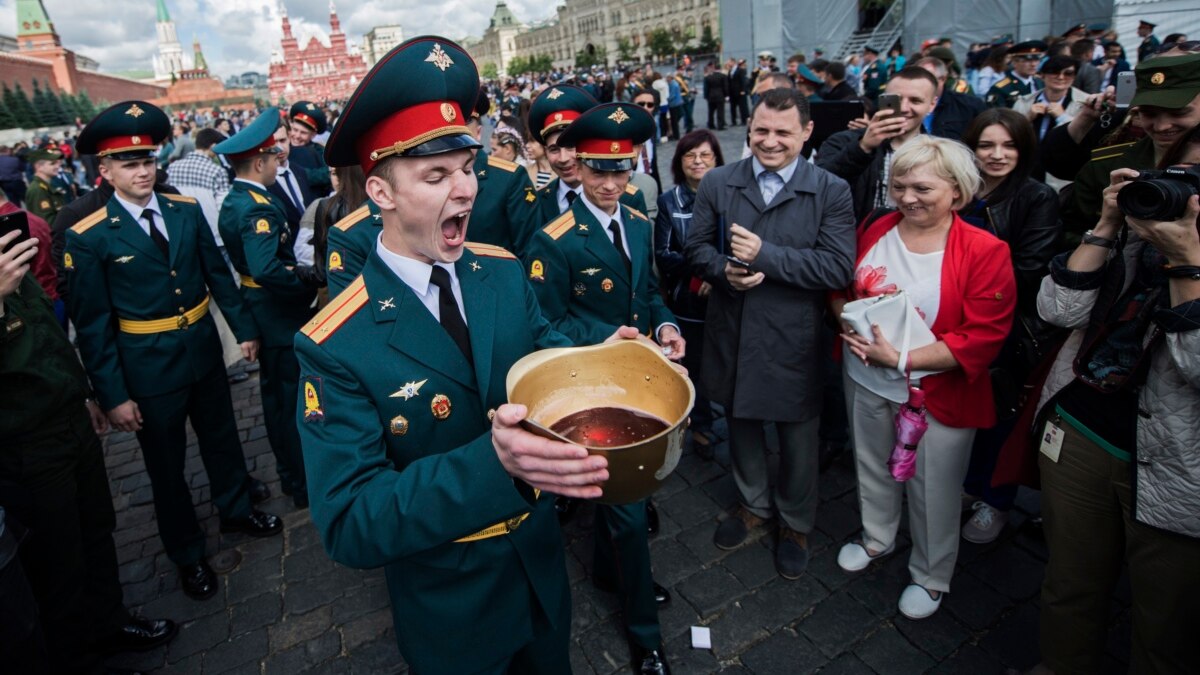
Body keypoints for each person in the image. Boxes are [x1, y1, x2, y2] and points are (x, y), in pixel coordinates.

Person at [298, 36, 619, 674]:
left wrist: (604, 360)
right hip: (451, 604)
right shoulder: (335, 342)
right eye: (436, 176)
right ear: (382, 195)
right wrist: (492, 464)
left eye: (467, 168)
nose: (467, 189)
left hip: (539, 570)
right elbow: (351, 521)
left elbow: (545, 356)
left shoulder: (499, 273)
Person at [64, 101, 280, 602]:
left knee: (223, 439)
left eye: (147, 161)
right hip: (147, 364)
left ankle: (235, 510)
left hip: (201, 349)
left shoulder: (182, 210)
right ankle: (187, 552)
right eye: (129, 163)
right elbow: (92, 325)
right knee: (166, 466)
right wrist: (112, 394)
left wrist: (243, 328)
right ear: (106, 170)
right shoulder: (89, 236)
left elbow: (215, 275)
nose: (142, 172)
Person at [1028, 126, 1200, 675]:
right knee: (1070, 583)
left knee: (1164, 623)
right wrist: (1107, 225)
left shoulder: (1175, 248)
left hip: (1178, 465)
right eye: (1182, 178)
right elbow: (1056, 310)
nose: (1187, 199)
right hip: (1082, 426)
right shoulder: (1136, 234)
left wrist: (1186, 264)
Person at [523, 101, 683, 675]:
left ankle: (613, 571)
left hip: (639, 379)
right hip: (589, 383)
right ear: (579, 169)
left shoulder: (639, 223)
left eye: (621, 170)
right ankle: (645, 636)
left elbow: (650, 297)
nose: (611, 182)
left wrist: (664, 325)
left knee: (625, 504)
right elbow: (543, 327)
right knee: (625, 508)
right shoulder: (555, 239)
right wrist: (604, 336)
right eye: (598, 170)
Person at [832, 136, 1016, 619]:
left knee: (933, 487)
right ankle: (877, 537)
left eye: (922, 188)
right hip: (865, 377)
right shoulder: (875, 226)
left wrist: (902, 357)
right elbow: (841, 287)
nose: (907, 197)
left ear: (957, 191)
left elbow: (984, 335)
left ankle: (932, 574)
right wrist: (846, 320)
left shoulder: (985, 250)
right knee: (871, 464)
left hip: (936, 392)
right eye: (898, 186)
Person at [684, 88, 856, 580]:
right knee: (739, 425)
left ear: (806, 132)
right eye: (761, 130)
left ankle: (796, 522)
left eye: (783, 132)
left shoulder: (830, 189)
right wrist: (723, 270)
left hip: (794, 336)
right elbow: (696, 248)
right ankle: (753, 505)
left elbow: (837, 267)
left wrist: (765, 257)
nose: (770, 141)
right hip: (733, 328)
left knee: (799, 438)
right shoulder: (718, 180)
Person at [1, 230, 179, 673]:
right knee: (57, 560)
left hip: (68, 422)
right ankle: (79, 658)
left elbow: (47, 339)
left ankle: (108, 624)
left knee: (96, 530)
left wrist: (84, 395)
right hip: (26, 442)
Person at [958, 109, 1062, 543]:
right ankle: (966, 486)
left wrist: (955, 282)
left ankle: (995, 501)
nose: (997, 155)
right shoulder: (960, 189)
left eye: (1009, 145)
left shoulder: (1036, 197)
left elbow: (1028, 271)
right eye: (986, 145)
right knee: (960, 409)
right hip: (952, 320)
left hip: (1004, 325)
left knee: (998, 413)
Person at [215, 108, 320, 509]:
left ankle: (291, 476)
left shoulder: (237, 198)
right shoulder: (258, 207)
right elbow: (267, 269)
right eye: (274, 158)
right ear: (259, 162)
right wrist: (304, 283)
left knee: (277, 399)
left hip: (262, 309)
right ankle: (300, 478)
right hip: (277, 314)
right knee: (291, 402)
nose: (280, 163)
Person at [1060, 51, 1200, 243]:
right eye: (1148, 114)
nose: (1161, 126)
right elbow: (1070, 234)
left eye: (1178, 113)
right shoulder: (1105, 167)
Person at [655, 130, 724, 457]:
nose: (698, 162)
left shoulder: (729, 195)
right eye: (690, 156)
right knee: (692, 360)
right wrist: (701, 271)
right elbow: (664, 254)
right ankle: (701, 422)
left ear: (716, 160)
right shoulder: (669, 201)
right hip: (688, 297)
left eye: (705, 156)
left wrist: (718, 272)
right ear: (679, 162)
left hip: (727, 293)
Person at [817, 67, 940, 223]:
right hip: (856, 240)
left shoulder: (939, 152)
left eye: (915, 101)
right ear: (883, 98)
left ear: (932, 105)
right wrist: (863, 148)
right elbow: (819, 187)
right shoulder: (843, 141)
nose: (903, 108)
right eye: (896, 100)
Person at [167, 127, 232, 251]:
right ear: (213, 146)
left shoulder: (173, 168)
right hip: (213, 235)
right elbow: (223, 208)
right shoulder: (217, 171)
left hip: (184, 232)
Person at [913, 56, 987, 141]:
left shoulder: (969, 106)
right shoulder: (904, 106)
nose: (920, 83)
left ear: (943, 79)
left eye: (927, 78)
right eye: (916, 78)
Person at [267, 121, 317, 234]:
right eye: (273, 143)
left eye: (282, 140)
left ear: (289, 137)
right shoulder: (265, 182)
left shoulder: (299, 171)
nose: (280, 148)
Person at [287, 100, 333, 196]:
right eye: (295, 130)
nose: (297, 135)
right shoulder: (284, 149)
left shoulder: (319, 150)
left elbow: (329, 172)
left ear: (313, 135)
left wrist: (302, 175)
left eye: (303, 133)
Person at [986, 40, 1046, 108]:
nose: (1033, 64)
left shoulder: (1040, 82)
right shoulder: (1000, 89)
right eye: (1027, 61)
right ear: (1014, 62)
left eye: (1036, 60)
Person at [24, 148, 67, 229]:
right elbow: (47, 223)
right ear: (39, 167)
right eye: (52, 163)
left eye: (57, 163)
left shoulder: (45, 186)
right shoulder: (37, 189)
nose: (58, 166)